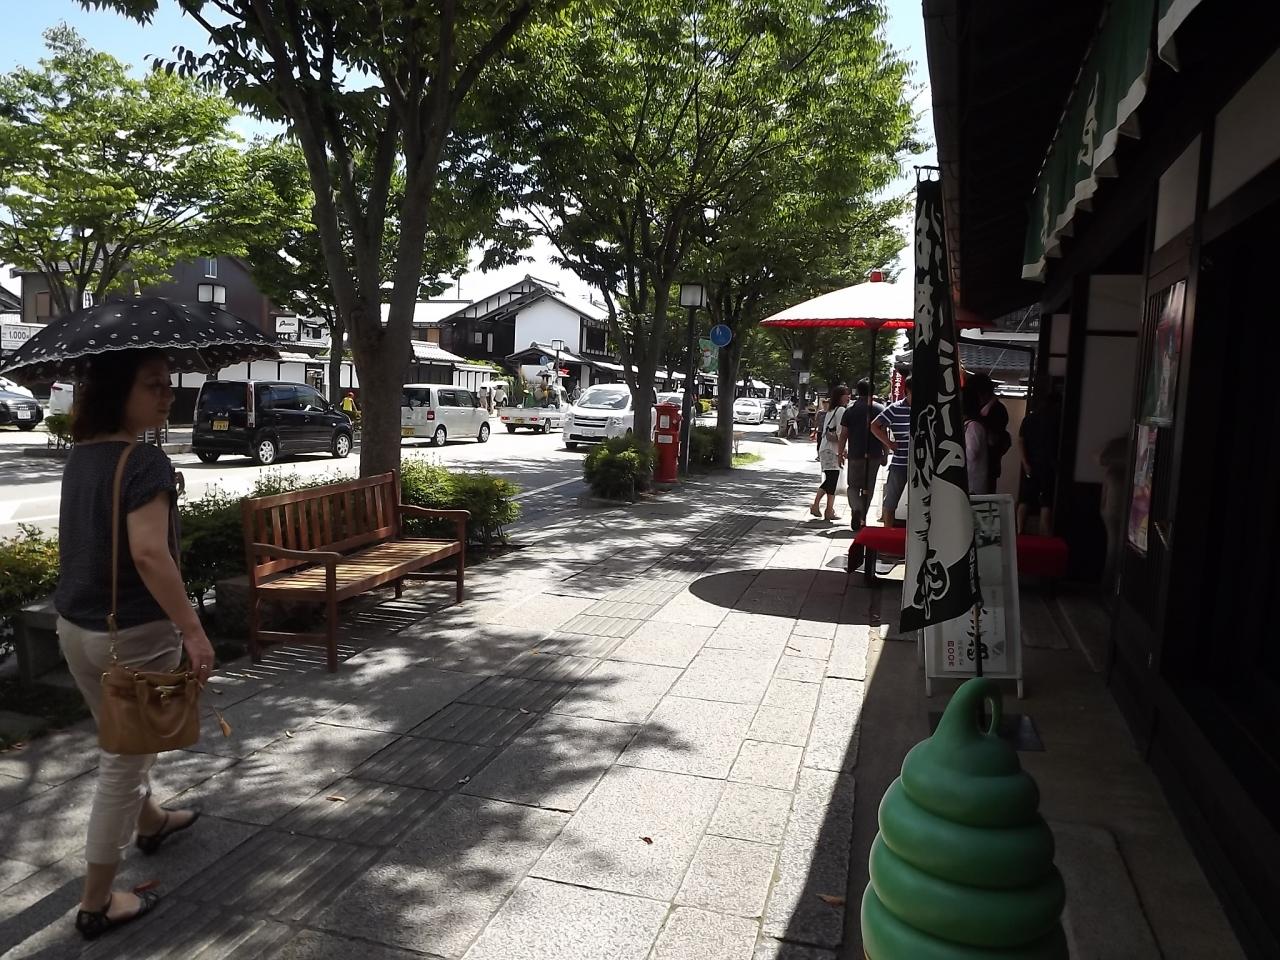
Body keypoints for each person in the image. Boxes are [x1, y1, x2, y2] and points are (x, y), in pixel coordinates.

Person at [54, 349, 215, 941]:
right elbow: (149, 553)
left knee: (122, 742)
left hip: (76, 629)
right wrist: (193, 631)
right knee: (121, 767)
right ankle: (97, 903)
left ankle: (152, 822)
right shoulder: (144, 460)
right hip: (134, 636)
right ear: (117, 392)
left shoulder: (82, 454)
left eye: (169, 385)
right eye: (153, 386)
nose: (167, 395)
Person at [837, 379, 886, 531]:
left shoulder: (850, 410)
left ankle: (856, 509)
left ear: (857, 391)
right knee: (869, 488)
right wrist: (886, 453)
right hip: (874, 454)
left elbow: (843, 435)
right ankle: (863, 516)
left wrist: (840, 453)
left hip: (855, 454)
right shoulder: (880, 409)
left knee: (853, 486)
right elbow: (884, 433)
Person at [1017, 382, 1062, 534]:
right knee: (1046, 502)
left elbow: (1020, 441)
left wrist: (1025, 462)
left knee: (1025, 499)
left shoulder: (1029, 419)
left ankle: (1019, 530)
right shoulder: (1057, 419)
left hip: (1030, 464)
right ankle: (1045, 535)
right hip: (1048, 465)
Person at [870, 376, 912, 526]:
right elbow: (874, 425)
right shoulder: (895, 408)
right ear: (907, 391)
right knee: (891, 501)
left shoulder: (928, 408)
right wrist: (889, 443)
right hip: (900, 462)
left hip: (923, 464)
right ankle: (888, 530)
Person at [810, 384, 850, 520]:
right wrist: (843, 450)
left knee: (831, 480)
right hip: (832, 450)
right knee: (831, 479)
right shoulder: (841, 410)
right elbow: (840, 432)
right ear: (840, 397)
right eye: (846, 394)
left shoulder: (831, 410)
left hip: (826, 448)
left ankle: (829, 510)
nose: (848, 397)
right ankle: (817, 505)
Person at [969, 373, 1011, 491]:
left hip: (988, 464)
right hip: (985, 465)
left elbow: (993, 440)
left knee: (985, 496)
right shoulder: (985, 408)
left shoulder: (997, 410)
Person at [962, 380, 991, 495]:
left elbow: (971, 454)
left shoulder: (973, 426)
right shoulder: (971, 425)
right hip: (971, 484)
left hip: (973, 486)